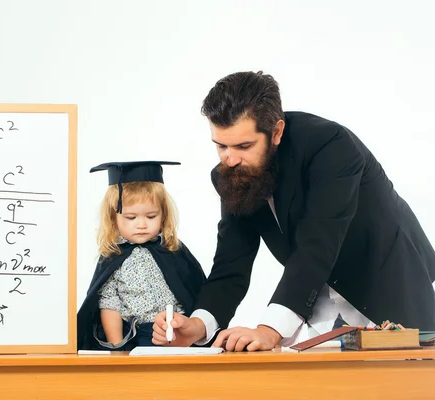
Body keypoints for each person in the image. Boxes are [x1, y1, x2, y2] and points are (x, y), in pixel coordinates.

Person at [152, 71, 435, 352]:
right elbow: (231, 261)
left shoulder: (331, 145)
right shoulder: (231, 173)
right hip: (315, 299)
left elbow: (318, 242)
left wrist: (269, 329)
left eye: (244, 145)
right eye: (221, 146)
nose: (231, 159)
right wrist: (199, 325)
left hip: (388, 283)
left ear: (276, 132)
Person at [77, 161, 206, 350]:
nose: (141, 225)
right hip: (134, 339)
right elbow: (110, 305)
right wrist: (116, 347)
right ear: (113, 218)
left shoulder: (173, 250)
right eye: (131, 218)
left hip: (174, 337)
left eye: (151, 216)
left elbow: (192, 292)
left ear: (164, 215)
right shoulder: (113, 257)